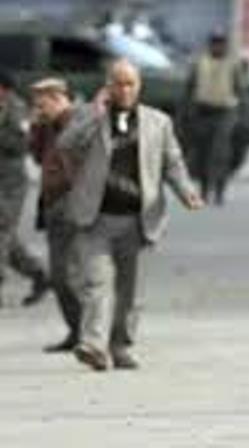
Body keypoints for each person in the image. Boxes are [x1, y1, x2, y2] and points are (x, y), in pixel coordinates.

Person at [61, 59, 204, 371]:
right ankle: (94, 345)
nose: (124, 90)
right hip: (96, 218)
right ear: (107, 86)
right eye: (118, 83)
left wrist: (186, 191)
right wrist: (96, 112)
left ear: (139, 87)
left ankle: (120, 345)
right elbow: (66, 144)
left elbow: (172, 162)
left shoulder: (158, 122)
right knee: (96, 284)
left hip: (139, 220)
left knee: (131, 292)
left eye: (130, 84)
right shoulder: (89, 116)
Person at [28, 78, 83, 352]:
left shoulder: (77, 123)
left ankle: (90, 332)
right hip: (53, 205)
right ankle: (78, 331)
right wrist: (37, 126)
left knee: (66, 275)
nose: (39, 110)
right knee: (62, 275)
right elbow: (39, 157)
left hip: (71, 204)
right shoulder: (49, 126)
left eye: (42, 105)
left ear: (59, 98)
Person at [0, 71, 50, 308]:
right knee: (7, 238)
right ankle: (38, 273)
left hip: (10, 184)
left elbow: (21, 144)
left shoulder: (16, 109)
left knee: (1, 231)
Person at [185, 31, 242, 206]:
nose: (218, 46)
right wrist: (188, 112)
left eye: (221, 43)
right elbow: (190, 88)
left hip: (224, 112)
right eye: (215, 43)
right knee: (203, 153)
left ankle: (219, 191)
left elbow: (239, 89)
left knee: (220, 153)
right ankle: (204, 189)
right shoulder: (199, 63)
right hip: (203, 112)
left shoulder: (232, 64)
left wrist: (240, 114)